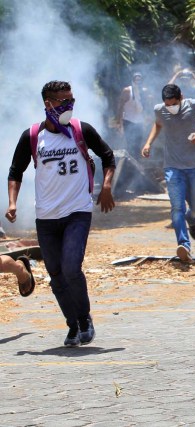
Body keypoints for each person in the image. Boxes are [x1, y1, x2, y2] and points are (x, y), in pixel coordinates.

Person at [7, 80, 116, 347]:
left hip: (77, 211)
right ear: (48, 104)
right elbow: (15, 171)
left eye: (72, 101)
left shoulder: (82, 130)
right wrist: (12, 203)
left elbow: (108, 155)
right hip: (46, 217)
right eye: (63, 102)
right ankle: (72, 326)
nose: (69, 106)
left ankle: (85, 318)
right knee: (55, 274)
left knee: (70, 268)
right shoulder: (32, 136)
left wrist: (107, 187)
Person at [142, 84, 195, 263]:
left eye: (174, 103)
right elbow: (158, 125)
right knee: (177, 208)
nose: (171, 107)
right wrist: (148, 143)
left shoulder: (193, 106)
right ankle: (184, 245)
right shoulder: (160, 110)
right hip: (172, 167)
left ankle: (192, 220)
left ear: (181, 97)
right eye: (167, 104)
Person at [116, 72, 150, 160]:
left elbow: (145, 107)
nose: (138, 81)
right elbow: (120, 106)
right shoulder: (127, 90)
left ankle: (136, 165)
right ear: (133, 79)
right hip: (128, 121)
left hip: (140, 122)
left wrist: (146, 119)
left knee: (138, 145)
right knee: (130, 144)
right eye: (136, 79)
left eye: (140, 79)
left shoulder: (144, 91)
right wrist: (118, 122)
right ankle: (129, 165)